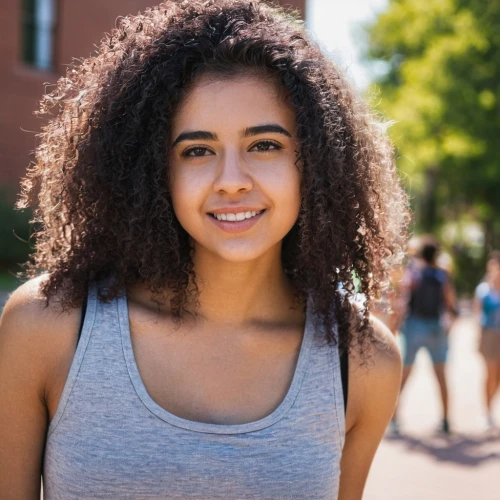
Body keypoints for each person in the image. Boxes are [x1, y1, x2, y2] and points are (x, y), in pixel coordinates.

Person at [0, 1, 408, 498]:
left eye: (265, 145)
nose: (232, 182)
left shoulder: (363, 361)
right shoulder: (49, 326)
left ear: (317, 162)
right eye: (197, 150)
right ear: (151, 171)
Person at [392, 236, 458, 435]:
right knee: (441, 376)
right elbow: (450, 303)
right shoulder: (442, 275)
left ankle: (393, 419)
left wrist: (394, 327)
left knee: (404, 376)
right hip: (435, 327)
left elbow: (403, 300)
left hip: (414, 326)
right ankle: (446, 420)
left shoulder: (414, 273)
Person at [474, 251, 500, 429]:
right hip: (489, 336)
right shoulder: (483, 290)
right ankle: (487, 412)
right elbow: (477, 315)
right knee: (490, 374)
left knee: (497, 377)